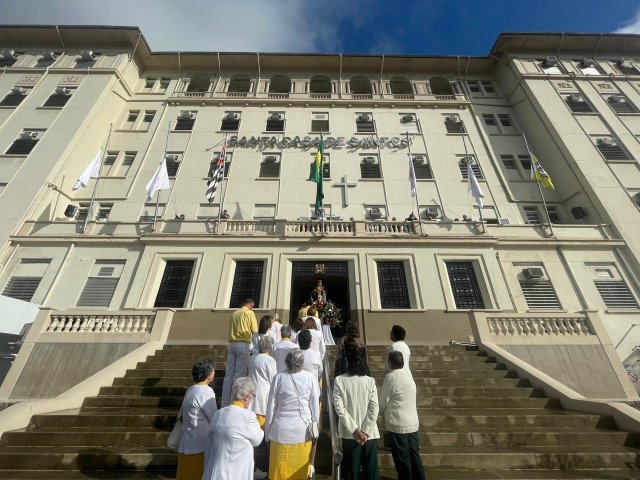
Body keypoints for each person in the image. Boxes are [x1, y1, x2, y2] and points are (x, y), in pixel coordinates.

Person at [265, 350, 320, 480]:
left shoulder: (278, 377)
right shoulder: (310, 377)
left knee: (279, 473)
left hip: (280, 431)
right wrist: (315, 429)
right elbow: (315, 407)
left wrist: (267, 434)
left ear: (287, 362)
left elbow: (271, 408)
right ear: (302, 362)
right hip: (302, 432)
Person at [333, 342, 380, 480]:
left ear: (348, 363)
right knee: (371, 473)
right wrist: (365, 430)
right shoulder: (370, 381)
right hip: (369, 435)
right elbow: (374, 408)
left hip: (350, 435)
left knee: (351, 473)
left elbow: (340, 409)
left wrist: (355, 430)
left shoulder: (339, 380)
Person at [202, 377, 264, 480]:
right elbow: (257, 439)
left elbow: (209, 443)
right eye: (252, 396)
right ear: (246, 397)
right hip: (236, 473)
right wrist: (261, 428)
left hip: (215, 472)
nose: (252, 399)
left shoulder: (218, 414)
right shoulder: (248, 416)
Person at [379, 351, 424, 480]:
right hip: (412, 424)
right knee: (414, 456)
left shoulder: (390, 377)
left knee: (402, 460)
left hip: (398, 425)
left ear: (390, 363)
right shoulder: (409, 376)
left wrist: (381, 414)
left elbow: (382, 402)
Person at [176, 358, 218, 480]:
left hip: (187, 440)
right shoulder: (206, 391)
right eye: (213, 370)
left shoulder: (191, 389)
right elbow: (214, 417)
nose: (214, 372)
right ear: (207, 374)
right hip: (200, 443)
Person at [222, 298, 258, 407]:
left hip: (232, 345)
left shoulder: (234, 314)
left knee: (228, 375)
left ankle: (224, 403)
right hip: (243, 344)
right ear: (251, 305)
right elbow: (255, 331)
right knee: (239, 375)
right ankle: (234, 402)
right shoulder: (250, 313)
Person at [249, 336, 277, 426]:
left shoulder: (252, 358)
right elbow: (273, 380)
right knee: (263, 425)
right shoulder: (269, 360)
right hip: (264, 396)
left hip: (251, 394)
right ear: (270, 347)